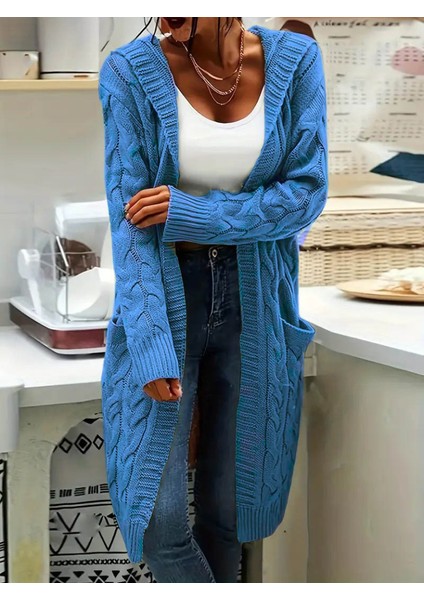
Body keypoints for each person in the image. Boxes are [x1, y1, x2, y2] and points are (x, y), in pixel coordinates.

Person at [98, 16, 328, 583]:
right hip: (166, 297)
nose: (167, 17)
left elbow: (307, 193)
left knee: (227, 515)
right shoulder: (127, 72)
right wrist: (149, 344)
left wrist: (195, 213)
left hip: (258, 305)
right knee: (159, 522)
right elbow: (130, 225)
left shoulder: (295, 61)